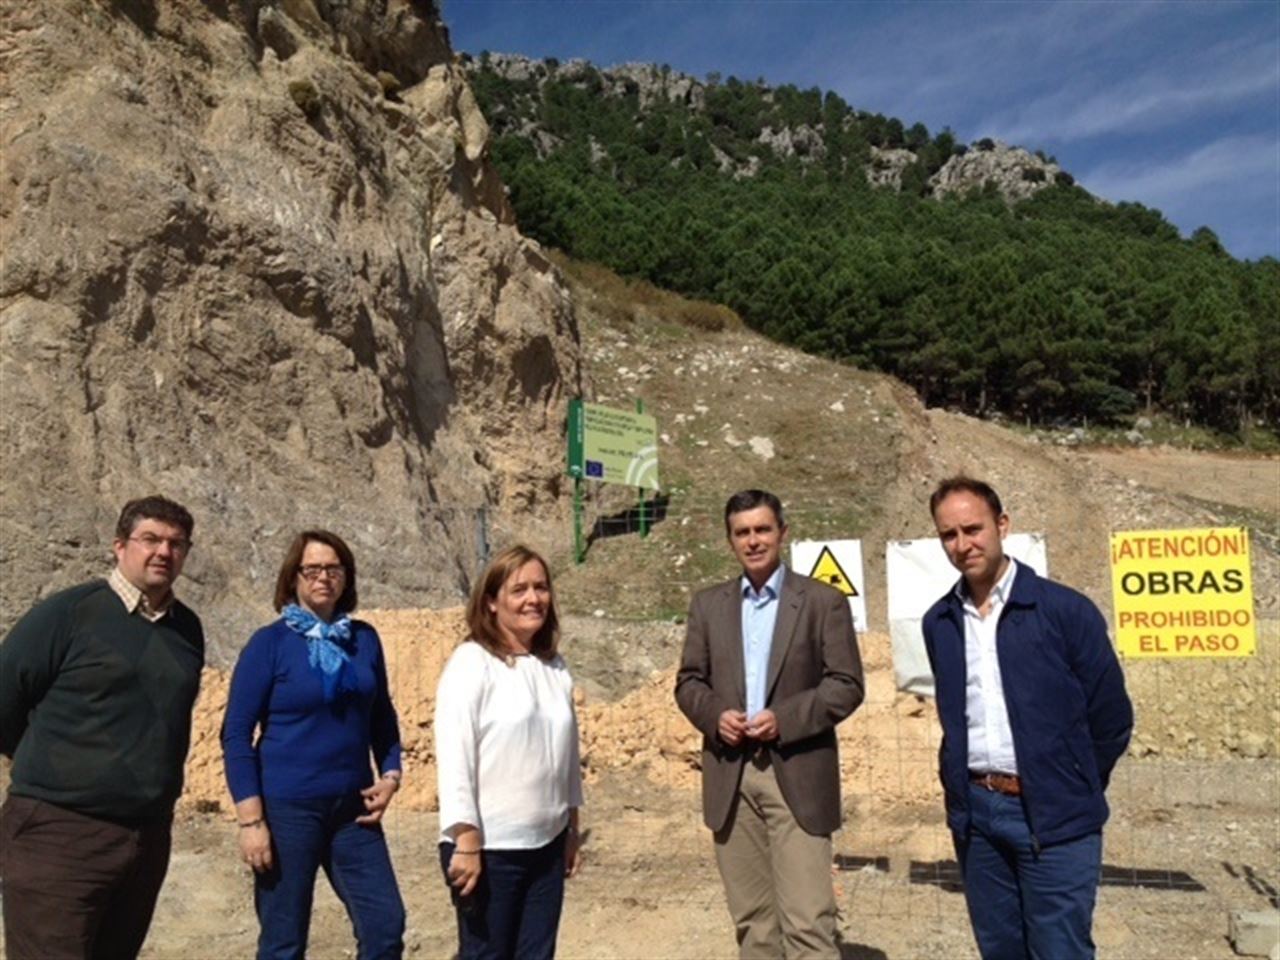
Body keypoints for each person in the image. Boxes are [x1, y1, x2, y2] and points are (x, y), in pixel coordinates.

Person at [922, 476, 1134, 960]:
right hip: (978, 816)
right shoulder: (940, 622)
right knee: (1000, 950)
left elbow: (1111, 717)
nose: (962, 544)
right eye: (948, 535)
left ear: (1002, 525)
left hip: (1055, 817)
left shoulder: (1063, 610)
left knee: (1059, 950)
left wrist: (1072, 780)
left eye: (973, 529)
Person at [0, 495, 205, 960]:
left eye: (176, 543)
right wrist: (55, 764)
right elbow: (5, 701)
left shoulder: (187, 629)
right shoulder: (70, 614)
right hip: (60, 834)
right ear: (119, 546)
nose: (163, 552)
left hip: (146, 838)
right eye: (149, 539)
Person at [675, 489, 864, 959]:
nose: (753, 540)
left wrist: (784, 720)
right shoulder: (708, 605)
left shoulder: (823, 601)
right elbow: (689, 682)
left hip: (796, 774)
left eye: (762, 529)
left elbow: (846, 684)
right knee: (754, 927)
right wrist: (716, 715)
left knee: (807, 925)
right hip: (730, 776)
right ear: (730, 540)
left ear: (782, 532)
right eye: (742, 532)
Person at [221, 530, 405, 960]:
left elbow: (382, 716)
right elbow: (235, 734)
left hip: (353, 811)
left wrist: (391, 773)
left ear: (347, 577)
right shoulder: (269, 644)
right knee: (284, 941)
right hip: (288, 811)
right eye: (313, 569)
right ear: (295, 577)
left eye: (334, 569)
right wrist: (251, 821)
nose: (324, 577)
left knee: (385, 927)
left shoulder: (364, 639)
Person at [435, 544, 583, 960]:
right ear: (492, 602)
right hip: (489, 849)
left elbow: (567, 757)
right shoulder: (471, 664)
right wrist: (466, 842)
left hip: (547, 846)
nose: (532, 598)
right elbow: (455, 757)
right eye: (519, 589)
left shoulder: (554, 667)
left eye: (540, 587)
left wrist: (571, 828)